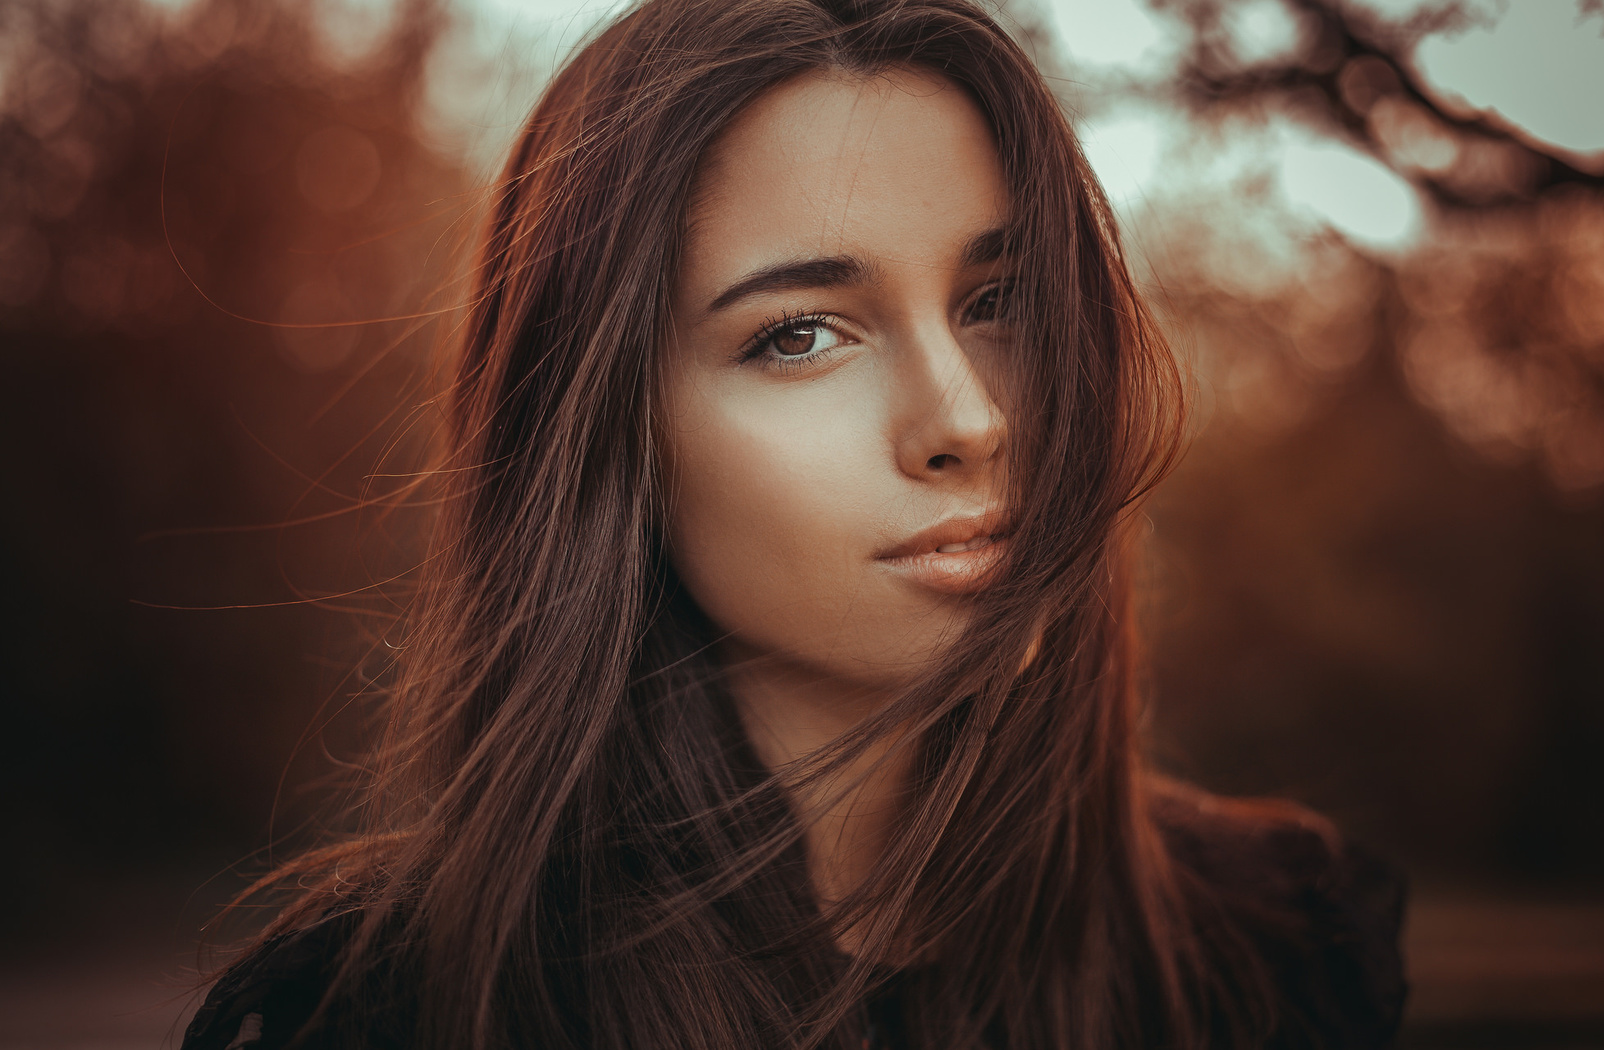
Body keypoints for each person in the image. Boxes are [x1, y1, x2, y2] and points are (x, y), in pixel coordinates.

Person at [182, 0, 1406, 1046]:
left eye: (1001, 301)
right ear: (609, 431)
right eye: (800, 334)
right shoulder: (392, 1016)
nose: (969, 420)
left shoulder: (1285, 952)